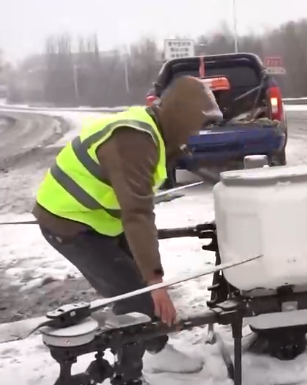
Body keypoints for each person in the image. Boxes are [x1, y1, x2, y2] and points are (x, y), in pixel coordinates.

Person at [31, 76, 223, 380]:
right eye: (196, 125)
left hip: (99, 218)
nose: (196, 134)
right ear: (181, 117)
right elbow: (137, 213)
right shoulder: (135, 141)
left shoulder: (152, 132)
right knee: (134, 294)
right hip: (68, 222)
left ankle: (154, 347)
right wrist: (156, 282)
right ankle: (137, 369)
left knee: (137, 286)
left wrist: (150, 278)